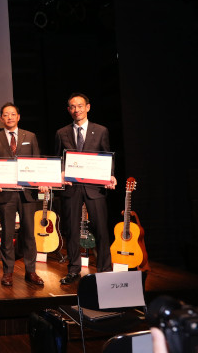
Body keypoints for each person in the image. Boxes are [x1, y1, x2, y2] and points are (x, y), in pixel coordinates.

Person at [55, 93, 116, 285]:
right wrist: (61, 172)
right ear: (69, 110)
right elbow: (59, 159)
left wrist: (110, 175)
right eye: (73, 107)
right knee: (72, 230)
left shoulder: (101, 130)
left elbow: (107, 156)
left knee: (101, 229)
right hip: (71, 188)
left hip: (94, 187)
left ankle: (104, 270)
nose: (77, 110)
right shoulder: (61, 133)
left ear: (88, 107)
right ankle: (73, 270)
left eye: (80, 106)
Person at [0, 103, 45, 287]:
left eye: (12, 114)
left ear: (18, 117)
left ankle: (31, 271)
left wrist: (41, 182)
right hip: (5, 194)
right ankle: (8, 272)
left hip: (27, 194)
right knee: (7, 234)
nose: (9, 117)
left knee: (29, 234)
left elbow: (37, 162)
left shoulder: (30, 136)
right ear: (1, 118)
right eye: (6, 115)